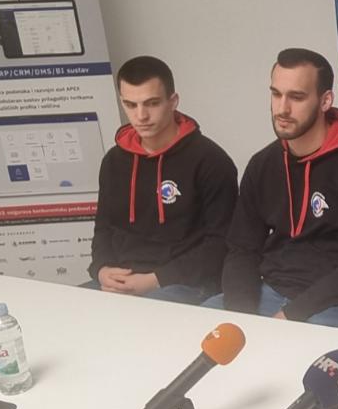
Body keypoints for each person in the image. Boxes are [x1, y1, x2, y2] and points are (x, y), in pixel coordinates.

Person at [211, 48, 338, 331]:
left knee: (293, 351)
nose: (282, 109)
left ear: (325, 101)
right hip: (271, 291)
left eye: (296, 97)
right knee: (200, 331)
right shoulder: (263, 164)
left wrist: (291, 315)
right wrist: (242, 315)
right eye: (276, 94)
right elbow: (242, 249)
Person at [87, 56, 238, 303]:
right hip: (121, 281)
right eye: (131, 105)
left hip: (183, 283)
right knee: (64, 311)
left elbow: (221, 244)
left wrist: (154, 279)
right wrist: (102, 270)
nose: (141, 115)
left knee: (138, 319)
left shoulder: (211, 161)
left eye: (152, 103)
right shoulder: (114, 161)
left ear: (173, 101)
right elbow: (103, 229)